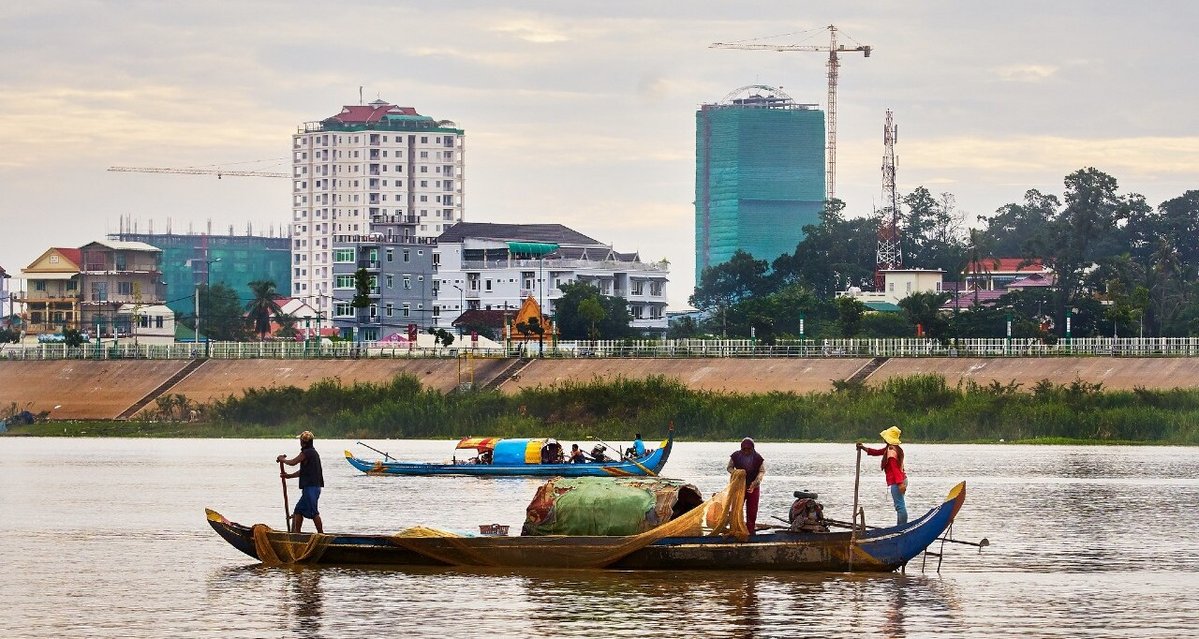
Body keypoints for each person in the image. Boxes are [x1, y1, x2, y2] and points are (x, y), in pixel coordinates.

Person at [858, 426, 908, 525]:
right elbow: (877, 452)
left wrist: (900, 484)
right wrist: (864, 448)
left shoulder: (891, 451)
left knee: (900, 506)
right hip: (901, 479)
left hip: (897, 480)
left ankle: (901, 528)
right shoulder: (893, 448)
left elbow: (895, 469)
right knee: (900, 505)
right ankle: (900, 527)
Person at [277, 430, 324, 534]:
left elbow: (293, 462)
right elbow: (304, 472)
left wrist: (282, 460)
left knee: (313, 511)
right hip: (311, 487)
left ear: (303, 442)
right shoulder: (312, 453)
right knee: (298, 510)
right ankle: (297, 534)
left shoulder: (307, 453)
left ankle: (321, 534)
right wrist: (288, 476)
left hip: (311, 488)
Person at [727, 437, 765, 535]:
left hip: (753, 486)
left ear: (753, 448)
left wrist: (756, 482)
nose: (747, 451)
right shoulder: (735, 456)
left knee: (752, 509)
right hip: (739, 486)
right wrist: (735, 472)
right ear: (741, 448)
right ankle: (735, 529)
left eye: (749, 449)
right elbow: (729, 467)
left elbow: (761, 471)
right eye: (744, 449)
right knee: (736, 508)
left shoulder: (758, 458)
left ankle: (750, 530)